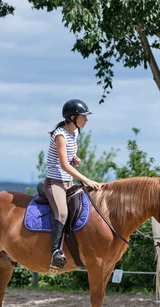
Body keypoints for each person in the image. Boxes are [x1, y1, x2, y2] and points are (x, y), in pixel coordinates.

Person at [45, 99, 101, 270]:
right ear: (72, 117)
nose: (86, 120)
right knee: (62, 212)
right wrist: (86, 180)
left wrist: (74, 158)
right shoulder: (60, 135)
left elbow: (67, 158)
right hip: (55, 183)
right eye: (84, 116)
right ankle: (55, 252)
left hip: (68, 183)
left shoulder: (75, 133)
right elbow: (63, 165)